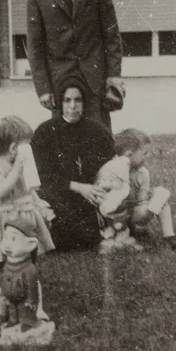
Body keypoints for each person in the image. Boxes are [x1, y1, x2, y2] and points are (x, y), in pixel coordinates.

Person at [26, 0, 124, 131]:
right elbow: (36, 49)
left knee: (100, 138)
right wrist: (43, 89)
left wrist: (113, 75)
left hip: (94, 81)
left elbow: (111, 35)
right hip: (60, 84)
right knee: (65, 141)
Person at [0, 115, 54, 289]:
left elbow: (26, 190)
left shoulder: (17, 166)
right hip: (1, 224)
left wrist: (38, 203)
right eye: (27, 147)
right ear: (14, 149)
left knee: (27, 255)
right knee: (5, 261)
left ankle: (27, 286)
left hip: (22, 218)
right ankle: (5, 293)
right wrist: (17, 170)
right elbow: (0, 192)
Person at [31, 75, 115, 251]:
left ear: (84, 102)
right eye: (67, 100)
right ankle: (94, 239)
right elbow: (43, 177)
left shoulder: (98, 132)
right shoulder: (45, 132)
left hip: (92, 194)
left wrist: (97, 188)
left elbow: (109, 168)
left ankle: (79, 238)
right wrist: (78, 187)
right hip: (60, 193)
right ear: (60, 102)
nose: (72, 106)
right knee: (54, 206)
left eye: (77, 100)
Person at [116, 128, 176, 250]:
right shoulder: (114, 172)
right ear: (128, 154)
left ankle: (169, 235)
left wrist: (150, 199)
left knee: (161, 197)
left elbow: (142, 197)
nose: (148, 157)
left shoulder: (143, 173)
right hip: (118, 216)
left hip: (135, 210)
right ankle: (132, 232)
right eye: (144, 154)